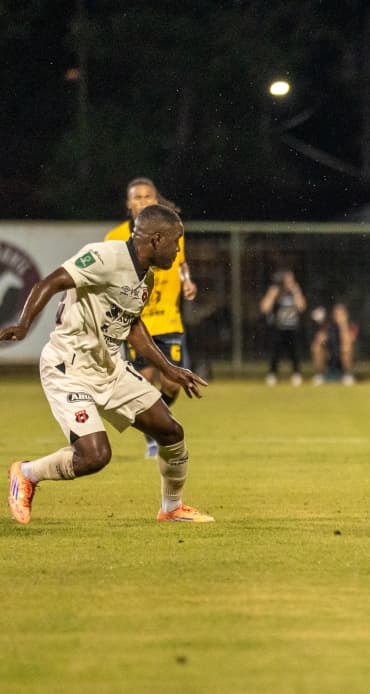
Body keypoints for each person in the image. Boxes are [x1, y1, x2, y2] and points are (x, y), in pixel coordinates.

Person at [2, 204, 213, 524]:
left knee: (171, 431)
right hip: (68, 369)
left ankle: (171, 508)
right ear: (156, 239)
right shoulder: (105, 257)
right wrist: (23, 324)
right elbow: (51, 281)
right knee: (95, 455)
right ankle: (27, 473)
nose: (178, 249)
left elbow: (132, 326)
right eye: (175, 241)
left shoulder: (146, 277)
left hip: (110, 369)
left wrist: (169, 369)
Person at [105, 177, 198, 458]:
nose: (143, 201)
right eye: (138, 197)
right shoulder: (115, 238)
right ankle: (154, 436)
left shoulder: (173, 229)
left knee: (172, 384)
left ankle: (155, 426)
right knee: (144, 382)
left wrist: (187, 280)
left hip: (168, 319)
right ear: (128, 204)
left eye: (148, 196)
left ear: (156, 201)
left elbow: (181, 263)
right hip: (138, 324)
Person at [260, 269, 307, 386]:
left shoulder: (295, 293)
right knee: (275, 352)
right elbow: (264, 308)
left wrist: (296, 292)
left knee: (294, 352)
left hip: (292, 328)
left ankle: (296, 374)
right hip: (279, 327)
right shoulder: (276, 293)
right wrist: (272, 294)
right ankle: (272, 374)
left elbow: (302, 307)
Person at [311, 302, 359, 385]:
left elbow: (348, 342)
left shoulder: (352, 326)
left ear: (346, 315)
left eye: (341, 314)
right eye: (336, 314)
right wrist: (321, 339)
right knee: (316, 347)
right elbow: (318, 340)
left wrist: (343, 325)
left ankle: (348, 375)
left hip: (346, 358)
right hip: (330, 356)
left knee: (346, 348)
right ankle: (319, 375)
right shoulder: (328, 326)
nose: (339, 316)